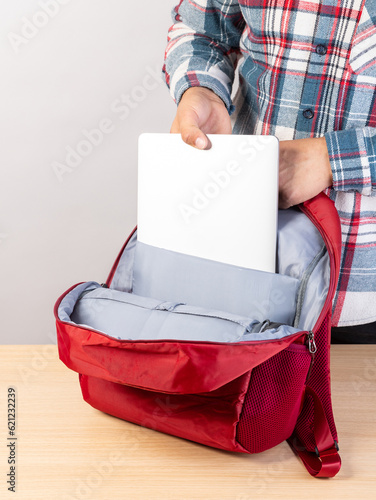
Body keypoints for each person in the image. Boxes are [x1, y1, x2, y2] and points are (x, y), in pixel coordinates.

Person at [162, 0, 376, 343]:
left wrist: (332, 160)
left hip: (361, 295)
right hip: (238, 267)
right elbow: (202, 30)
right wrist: (202, 89)